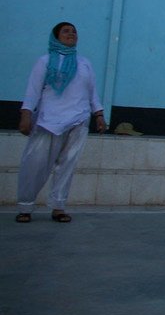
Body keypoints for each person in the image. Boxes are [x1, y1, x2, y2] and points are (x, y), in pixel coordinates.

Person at [15, 22, 107, 223]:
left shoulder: (84, 64)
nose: (71, 34)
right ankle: (25, 206)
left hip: (78, 120)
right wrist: (26, 115)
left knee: (67, 166)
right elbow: (33, 90)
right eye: (66, 31)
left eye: (74, 31)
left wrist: (98, 114)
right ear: (56, 36)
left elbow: (92, 92)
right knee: (35, 164)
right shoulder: (45, 61)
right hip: (48, 121)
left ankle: (58, 206)